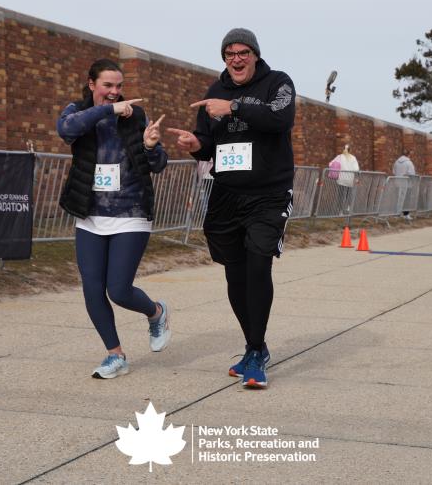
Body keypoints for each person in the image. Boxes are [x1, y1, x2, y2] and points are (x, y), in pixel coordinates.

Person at [167, 28, 295, 389]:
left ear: (255, 55)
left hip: (268, 193)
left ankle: (255, 351)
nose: (236, 59)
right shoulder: (215, 90)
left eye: (243, 52)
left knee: (258, 264)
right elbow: (209, 144)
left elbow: (280, 119)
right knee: (235, 275)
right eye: (229, 54)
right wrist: (195, 145)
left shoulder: (278, 82)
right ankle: (255, 345)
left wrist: (235, 106)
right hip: (226, 194)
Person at [57, 59, 171, 379]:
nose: (114, 92)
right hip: (90, 214)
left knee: (118, 289)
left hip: (130, 212)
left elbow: (158, 163)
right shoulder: (78, 111)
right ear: (92, 84)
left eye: (119, 86)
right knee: (93, 289)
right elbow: (66, 130)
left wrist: (151, 147)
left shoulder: (135, 116)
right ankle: (115, 355)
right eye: (108, 85)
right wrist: (108, 110)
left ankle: (156, 312)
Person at [330, 144, 360, 213]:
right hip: (350, 179)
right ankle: (348, 208)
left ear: (343, 149)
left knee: (340, 195)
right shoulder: (353, 158)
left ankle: (340, 211)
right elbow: (356, 169)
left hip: (341, 179)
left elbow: (331, 164)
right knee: (348, 194)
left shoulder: (339, 157)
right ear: (350, 150)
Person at [393, 149, 416, 220]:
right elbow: (412, 174)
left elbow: (394, 172)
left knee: (397, 199)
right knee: (406, 199)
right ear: (409, 155)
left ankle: (397, 213)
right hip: (406, 183)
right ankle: (406, 214)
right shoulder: (409, 163)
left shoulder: (396, 162)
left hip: (397, 182)